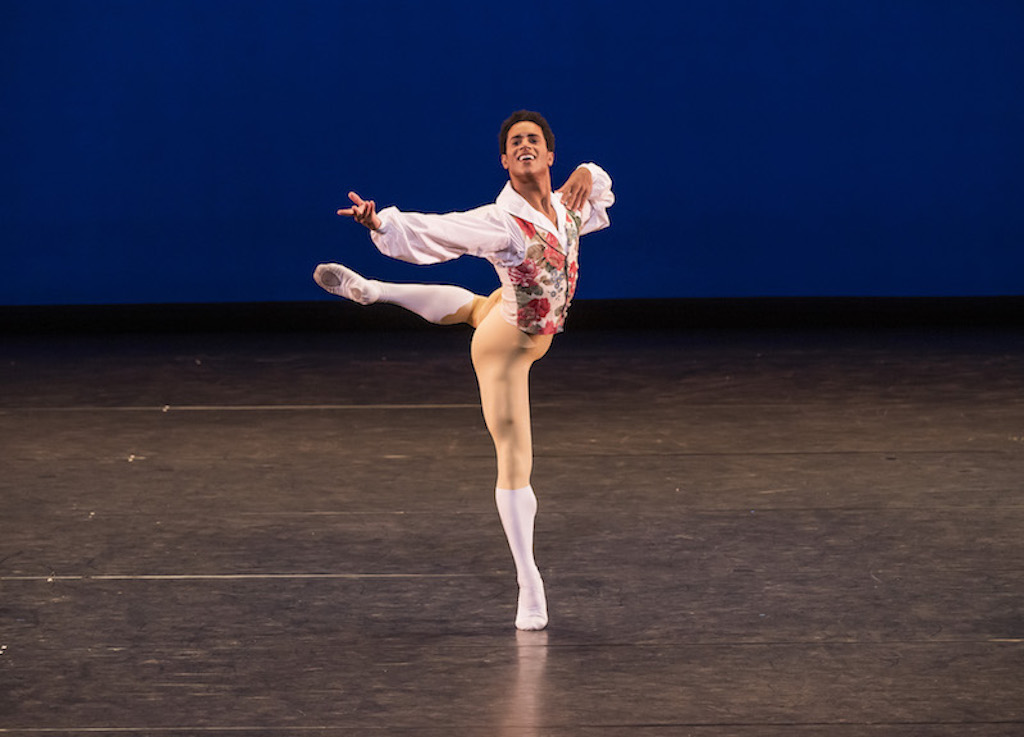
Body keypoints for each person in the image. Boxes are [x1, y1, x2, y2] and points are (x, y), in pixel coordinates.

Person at [314, 110, 614, 630]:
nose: (524, 145)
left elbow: (599, 190)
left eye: (533, 140)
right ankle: (529, 583)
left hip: (513, 313)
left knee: (480, 306)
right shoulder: (501, 223)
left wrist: (589, 169)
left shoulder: (569, 207)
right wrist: (383, 223)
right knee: (515, 459)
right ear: (505, 160)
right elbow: (441, 231)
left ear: (548, 156)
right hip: (507, 349)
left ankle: (375, 291)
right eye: (515, 142)